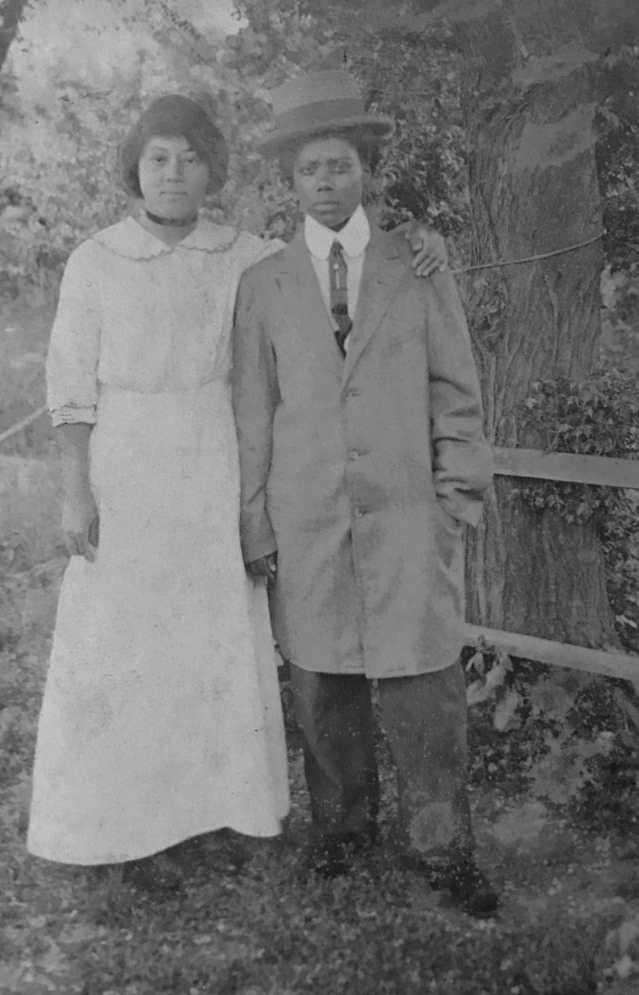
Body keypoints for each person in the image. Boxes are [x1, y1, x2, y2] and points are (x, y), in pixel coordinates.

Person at [27, 93, 447, 890]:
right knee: (125, 649)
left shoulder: (245, 255)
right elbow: (69, 390)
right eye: (159, 159)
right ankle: (120, 823)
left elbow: (335, 251)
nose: (174, 174)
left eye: (189, 159)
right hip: (129, 469)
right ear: (135, 168)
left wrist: (419, 241)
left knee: (211, 645)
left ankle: (211, 811)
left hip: (215, 467)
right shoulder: (96, 259)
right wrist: (75, 492)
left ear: (212, 169)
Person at [231, 70, 498, 917]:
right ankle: (342, 833)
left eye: (341, 165)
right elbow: (252, 413)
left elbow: (457, 389)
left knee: (425, 681)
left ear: (366, 170)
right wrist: (257, 520)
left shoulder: (416, 264)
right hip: (308, 515)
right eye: (310, 169)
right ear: (290, 181)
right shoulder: (263, 285)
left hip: (411, 513)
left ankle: (441, 846)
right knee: (322, 679)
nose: (326, 181)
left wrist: (457, 496)